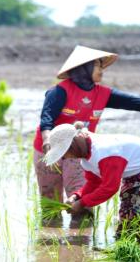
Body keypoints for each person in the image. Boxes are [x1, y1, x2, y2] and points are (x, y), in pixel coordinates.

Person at [33, 45, 140, 220]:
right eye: (97, 66)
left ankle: (80, 241)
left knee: (81, 203)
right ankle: (51, 240)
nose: (102, 70)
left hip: (79, 149)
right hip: (47, 148)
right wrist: (47, 142)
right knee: (50, 202)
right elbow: (46, 119)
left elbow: (134, 102)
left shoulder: (103, 94)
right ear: (84, 68)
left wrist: (79, 199)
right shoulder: (59, 92)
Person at [45, 122, 140, 235]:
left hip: (137, 174)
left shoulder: (105, 153)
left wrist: (82, 203)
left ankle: (128, 245)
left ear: (72, 145)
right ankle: (126, 243)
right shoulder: (86, 158)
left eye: (64, 153)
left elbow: (110, 188)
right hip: (133, 174)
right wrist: (77, 196)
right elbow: (94, 183)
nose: (65, 158)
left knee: (131, 215)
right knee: (128, 212)